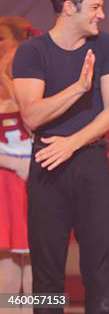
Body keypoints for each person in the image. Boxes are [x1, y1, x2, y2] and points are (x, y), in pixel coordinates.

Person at [12, 0, 109, 314]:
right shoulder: (31, 52)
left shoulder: (104, 46)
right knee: (47, 272)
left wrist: (72, 143)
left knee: (100, 269)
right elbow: (31, 116)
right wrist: (78, 88)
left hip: (91, 162)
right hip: (47, 166)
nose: (101, 15)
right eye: (95, 7)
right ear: (68, 7)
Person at [0, 16, 36, 314]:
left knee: (40, 260)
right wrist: (11, 162)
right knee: (7, 260)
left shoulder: (37, 76)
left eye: (2, 39)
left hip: (38, 175)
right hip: (5, 179)